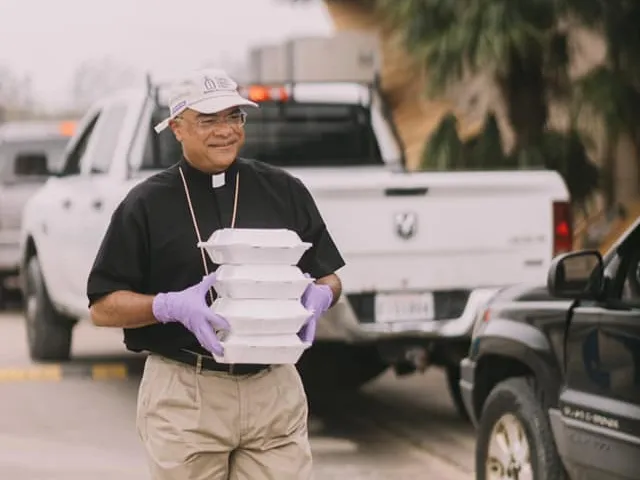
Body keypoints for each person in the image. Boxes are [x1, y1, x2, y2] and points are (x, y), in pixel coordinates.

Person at [86, 68, 345, 480]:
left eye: (234, 117)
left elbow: (330, 275)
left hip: (272, 388)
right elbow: (102, 306)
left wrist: (321, 296)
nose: (225, 131)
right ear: (177, 127)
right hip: (187, 390)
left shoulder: (283, 190)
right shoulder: (146, 204)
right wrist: (168, 306)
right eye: (208, 120)